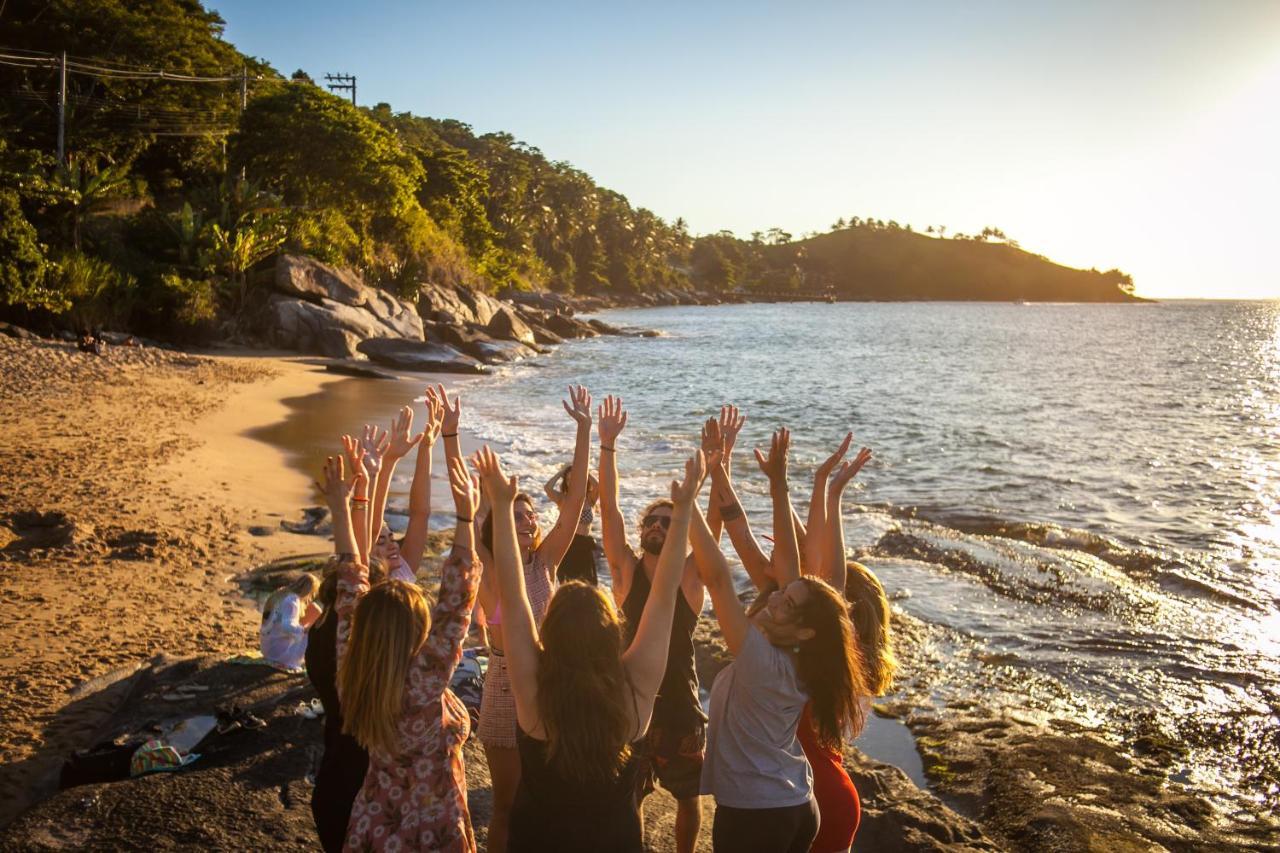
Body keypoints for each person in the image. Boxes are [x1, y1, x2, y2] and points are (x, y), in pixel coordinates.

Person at [472, 443, 706, 853]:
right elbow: (664, 596)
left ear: (551, 634)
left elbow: (513, 595)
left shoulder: (534, 698)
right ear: (611, 634)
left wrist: (499, 504)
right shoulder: (633, 695)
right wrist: (684, 510)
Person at [691, 428, 870, 853]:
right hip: (795, 793)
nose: (777, 595)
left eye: (788, 597)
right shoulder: (797, 635)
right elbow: (742, 528)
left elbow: (719, 575)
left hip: (774, 804)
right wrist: (729, 472)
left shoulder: (770, 650)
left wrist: (688, 503)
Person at [458, 385, 594, 853]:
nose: (525, 520)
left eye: (529, 513)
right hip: (503, 692)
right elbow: (471, 523)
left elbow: (575, 504)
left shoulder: (546, 564)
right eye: (513, 513)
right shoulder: (492, 572)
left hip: (554, 689)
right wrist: (484, 488)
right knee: (507, 807)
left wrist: (585, 429)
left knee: (550, 801)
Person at [597, 396, 735, 853]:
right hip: (630, 701)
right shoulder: (625, 573)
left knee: (689, 799)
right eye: (651, 521)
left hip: (679, 705)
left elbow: (711, 525)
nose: (657, 525)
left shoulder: (689, 578)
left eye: (666, 521)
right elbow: (610, 509)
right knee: (627, 794)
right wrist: (607, 447)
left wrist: (719, 465)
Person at [328, 445, 483, 851]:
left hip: (374, 823)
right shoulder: (422, 682)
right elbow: (456, 602)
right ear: (415, 629)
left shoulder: (355, 672)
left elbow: (350, 585)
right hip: (431, 828)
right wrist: (467, 517)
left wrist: (342, 507)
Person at [306, 556, 392, 853]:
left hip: (333, 782)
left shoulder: (320, 628)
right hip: (355, 789)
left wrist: (357, 508)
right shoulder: (355, 651)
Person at [543, 462, 600, 585]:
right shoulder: (563, 499)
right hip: (568, 545)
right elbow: (547, 488)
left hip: (585, 547)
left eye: (574, 478)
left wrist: (584, 471)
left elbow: (598, 486)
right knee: (568, 586)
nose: (571, 481)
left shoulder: (590, 499)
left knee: (589, 587)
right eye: (568, 479)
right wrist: (562, 472)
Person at [260, 573, 320, 670]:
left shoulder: (281, 593)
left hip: (267, 649)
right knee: (312, 632)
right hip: (280, 655)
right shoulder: (292, 600)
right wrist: (304, 630)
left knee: (314, 611)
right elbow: (287, 625)